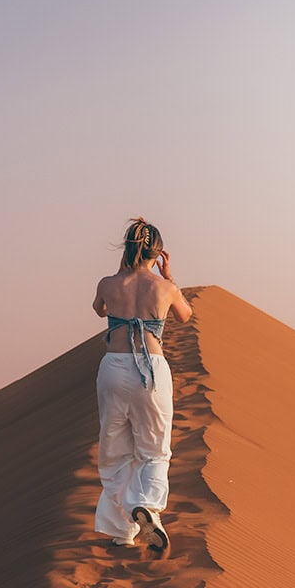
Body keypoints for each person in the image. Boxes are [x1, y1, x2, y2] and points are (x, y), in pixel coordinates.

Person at [92, 217, 193, 556]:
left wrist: (122, 271)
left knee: (114, 449)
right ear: (158, 252)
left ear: (127, 248)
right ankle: (146, 506)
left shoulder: (108, 283)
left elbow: (98, 310)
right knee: (154, 449)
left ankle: (123, 531)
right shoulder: (166, 288)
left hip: (113, 369)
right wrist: (168, 278)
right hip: (151, 371)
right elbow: (185, 316)